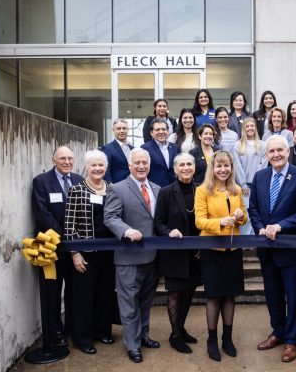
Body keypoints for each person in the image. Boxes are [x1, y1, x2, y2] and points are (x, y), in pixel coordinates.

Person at [248, 136, 296, 363]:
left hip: (291, 249)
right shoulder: (259, 177)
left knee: (293, 296)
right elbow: (254, 208)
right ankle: (277, 332)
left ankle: (291, 340)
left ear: (288, 152)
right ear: (266, 155)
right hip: (267, 249)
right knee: (272, 295)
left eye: (280, 150)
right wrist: (259, 228)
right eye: (271, 151)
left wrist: (280, 226)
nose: (275, 154)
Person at [104, 148, 161, 363]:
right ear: (129, 166)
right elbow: (110, 217)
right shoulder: (117, 189)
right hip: (128, 258)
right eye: (136, 163)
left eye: (144, 163)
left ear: (149, 165)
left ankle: (143, 335)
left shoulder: (157, 188)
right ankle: (132, 345)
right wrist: (126, 231)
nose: (141, 166)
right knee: (128, 305)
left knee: (146, 303)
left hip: (153, 258)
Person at [195, 150, 247, 362]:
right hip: (212, 250)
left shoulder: (236, 190)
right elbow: (199, 221)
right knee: (214, 296)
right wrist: (219, 223)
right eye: (219, 166)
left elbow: (244, 216)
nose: (223, 169)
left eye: (227, 166)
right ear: (212, 168)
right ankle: (211, 340)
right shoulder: (203, 190)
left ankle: (227, 338)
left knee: (230, 295)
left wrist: (241, 216)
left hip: (233, 250)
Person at [63, 150, 116, 355]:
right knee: (83, 296)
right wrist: (75, 253)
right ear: (86, 167)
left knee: (105, 293)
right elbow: (69, 225)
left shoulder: (112, 189)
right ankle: (82, 338)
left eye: (101, 165)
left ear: (106, 167)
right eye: (93, 165)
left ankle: (102, 331)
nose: (97, 169)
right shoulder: (77, 190)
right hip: (86, 252)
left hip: (109, 251)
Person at [31, 146, 83, 348]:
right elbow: (43, 215)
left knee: (73, 289)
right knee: (51, 292)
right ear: (54, 160)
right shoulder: (41, 181)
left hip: (75, 248)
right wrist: (66, 237)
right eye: (62, 158)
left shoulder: (79, 180)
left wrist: (75, 241)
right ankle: (54, 333)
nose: (67, 162)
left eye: (70, 158)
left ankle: (71, 328)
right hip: (51, 247)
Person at [154, 153, 201, 354]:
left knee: (189, 291)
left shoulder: (201, 189)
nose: (186, 167)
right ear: (175, 169)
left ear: (194, 167)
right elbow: (158, 222)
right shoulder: (166, 192)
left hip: (196, 253)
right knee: (175, 292)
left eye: (189, 164)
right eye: (181, 164)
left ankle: (181, 329)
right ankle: (174, 335)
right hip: (174, 252)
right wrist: (168, 231)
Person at [231, 117, 266, 235]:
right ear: (244, 129)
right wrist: (243, 183)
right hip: (244, 186)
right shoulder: (237, 145)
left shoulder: (262, 145)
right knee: (246, 211)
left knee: (258, 212)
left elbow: (264, 164)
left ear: (255, 128)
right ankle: (246, 240)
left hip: (259, 184)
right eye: (247, 126)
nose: (250, 128)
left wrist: (258, 181)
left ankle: (256, 240)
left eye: (252, 126)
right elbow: (237, 165)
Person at [141, 118, 180, 188]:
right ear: (151, 133)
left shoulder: (175, 148)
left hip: (174, 188)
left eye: (163, 129)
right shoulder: (145, 148)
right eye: (157, 130)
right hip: (155, 189)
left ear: (168, 131)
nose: (161, 132)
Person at [102, 119, 134, 183]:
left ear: (128, 130)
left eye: (124, 128)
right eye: (118, 128)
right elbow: (106, 172)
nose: (122, 131)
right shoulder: (107, 149)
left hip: (133, 187)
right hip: (117, 188)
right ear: (113, 130)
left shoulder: (133, 149)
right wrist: (110, 188)